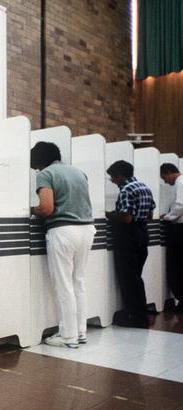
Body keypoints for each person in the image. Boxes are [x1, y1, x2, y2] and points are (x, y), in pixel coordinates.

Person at [30, 142, 96, 348]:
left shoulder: (46, 174)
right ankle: (81, 332)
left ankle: (68, 336)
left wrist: (31, 209)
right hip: (87, 229)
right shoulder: (79, 173)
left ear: (40, 160)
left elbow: (47, 208)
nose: (36, 170)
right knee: (79, 282)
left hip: (63, 231)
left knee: (63, 284)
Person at [105, 160, 155, 328]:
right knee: (136, 276)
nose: (112, 181)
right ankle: (140, 313)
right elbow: (150, 215)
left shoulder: (126, 190)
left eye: (113, 177)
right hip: (142, 234)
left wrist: (110, 215)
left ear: (120, 175)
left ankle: (135, 317)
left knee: (128, 278)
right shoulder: (144, 187)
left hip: (128, 235)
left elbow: (126, 218)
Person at [160, 163, 183, 313]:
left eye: (164, 178)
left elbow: (180, 205)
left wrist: (167, 217)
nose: (165, 182)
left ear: (169, 172)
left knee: (177, 265)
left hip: (179, 229)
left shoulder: (180, 183)